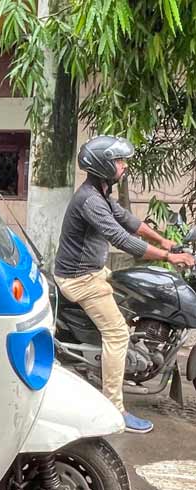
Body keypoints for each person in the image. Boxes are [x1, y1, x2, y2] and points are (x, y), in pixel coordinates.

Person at [54, 135, 195, 434]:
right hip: (80, 279)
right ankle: (114, 410)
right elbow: (121, 238)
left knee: (134, 301)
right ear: (104, 165)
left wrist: (163, 240)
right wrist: (170, 257)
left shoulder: (101, 193)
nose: (124, 165)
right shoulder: (89, 200)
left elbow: (129, 221)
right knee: (117, 334)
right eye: (119, 161)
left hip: (93, 271)